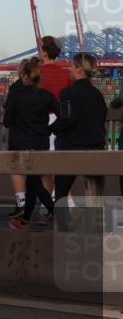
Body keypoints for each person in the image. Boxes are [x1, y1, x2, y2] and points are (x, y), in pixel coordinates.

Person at [50, 53, 108, 227]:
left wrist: (51, 128)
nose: (70, 70)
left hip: (71, 149)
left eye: (72, 67)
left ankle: (64, 227)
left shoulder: (68, 93)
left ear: (80, 70)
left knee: (61, 191)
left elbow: (68, 119)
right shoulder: (98, 95)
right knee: (94, 192)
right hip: (96, 148)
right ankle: (96, 226)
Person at [4, 58, 58, 230]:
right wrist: (50, 129)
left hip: (20, 144)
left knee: (33, 183)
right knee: (34, 182)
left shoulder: (15, 95)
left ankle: (55, 211)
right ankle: (25, 219)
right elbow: (64, 115)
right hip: (40, 143)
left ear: (25, 76)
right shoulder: (47, 96)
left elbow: (7, 121)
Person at [38, 35, 71, 195]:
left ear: (44, 52)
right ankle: (66, 202)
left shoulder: (37, 74)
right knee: (58, 163)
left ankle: (49, 206)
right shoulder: (66, 75)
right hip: (62, 121)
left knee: (45, 166)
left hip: (41, 121)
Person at [4, 59, 29, 219]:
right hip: (38, 137)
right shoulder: (40, 88)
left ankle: (21, 205)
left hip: (18, 135)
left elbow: (8, 119)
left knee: (16, 169)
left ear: (21, 71)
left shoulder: (15, 88)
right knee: (41, 172)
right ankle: (48, 206)